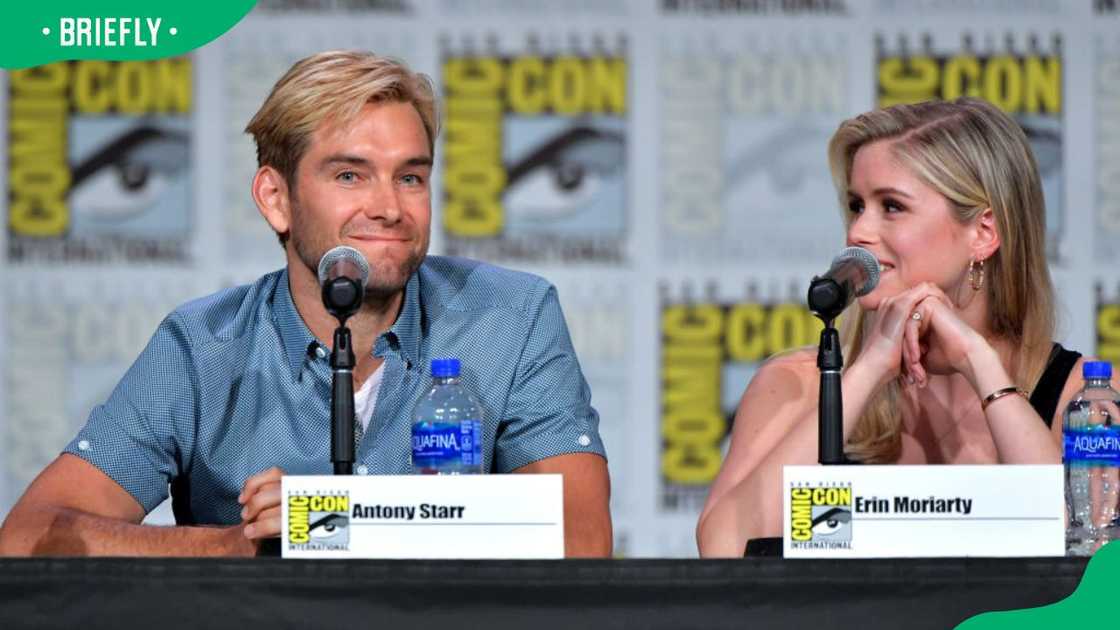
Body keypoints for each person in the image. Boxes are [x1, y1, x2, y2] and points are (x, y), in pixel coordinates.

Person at [0, 51, 611, 557]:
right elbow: (30, 535)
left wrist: (327, 523)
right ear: (276, 198)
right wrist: (232, 546)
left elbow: (581, 538)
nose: (390, 207)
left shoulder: (512, 317)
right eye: (350, 176)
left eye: (411, 177)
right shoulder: (202, 346)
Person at [696, 97, 1103, 557]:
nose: (858, 232)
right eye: (856, 205)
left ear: (984, 232)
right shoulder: (798, 385)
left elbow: (1086, 555)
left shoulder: (1084, 396)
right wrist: (868, 369)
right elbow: (725, 548)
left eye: (891, 206)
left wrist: (979, 363)